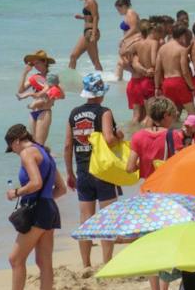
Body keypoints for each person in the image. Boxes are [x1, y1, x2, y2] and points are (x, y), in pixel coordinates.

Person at [65, 73, 121, 272]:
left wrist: (70, 173)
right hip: (103, 172)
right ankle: (107, 262)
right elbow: (108, 139)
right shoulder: (104, 112)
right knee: (108, 217)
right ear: (100, 94)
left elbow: (67, 145)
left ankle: (86, 264)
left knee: (86, 219)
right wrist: (118, 135)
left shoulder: (73, 114)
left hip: (82, 171)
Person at [5, 123, 61, 290]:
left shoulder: (27, 153)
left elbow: (36, 183)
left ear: (16, 142)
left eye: (12, 149)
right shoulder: (46, 153)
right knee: (44, 262)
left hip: (38, 211)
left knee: (15, 259)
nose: (15, 153)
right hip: (50, 209)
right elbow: (61, 188)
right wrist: (44, 202)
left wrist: (16, 192)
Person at [69, 0, 102, 73]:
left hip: (91, 32)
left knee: (95, 61)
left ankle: (101, 82)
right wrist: (82, 17)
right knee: (73, 56)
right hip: (87, 32)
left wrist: (93, 34)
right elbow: (90, 17)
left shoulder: (90, 1)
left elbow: (96, 17)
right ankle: (69, 79)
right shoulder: (87, 1)